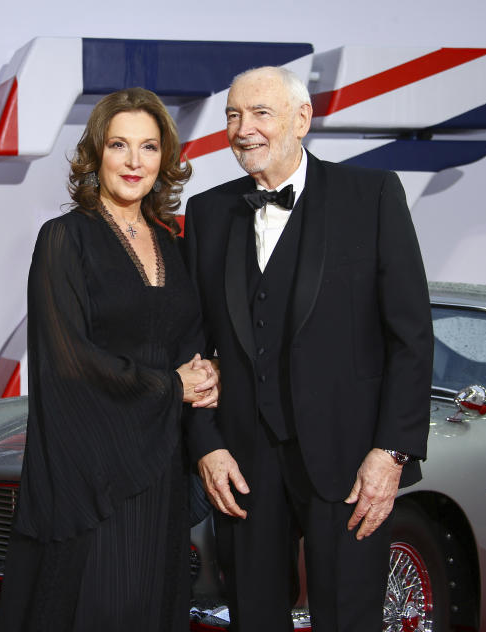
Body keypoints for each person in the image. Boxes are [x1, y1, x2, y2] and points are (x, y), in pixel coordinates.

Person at [182, 66, 433, 631]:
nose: (243, 129)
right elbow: (191, 349)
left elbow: (411, 337)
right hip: (243, 467)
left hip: (349, 464)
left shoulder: (371, 196)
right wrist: (206, 446)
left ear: (302, 119)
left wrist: (390, 453)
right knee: (253, 619)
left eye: (260, 114)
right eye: (232, 115)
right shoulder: (207, 212)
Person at [0, 87, 218, 632]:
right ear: (96, 154)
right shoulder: (64, 240)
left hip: (158, 465)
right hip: (90, 472)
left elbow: (190, 340)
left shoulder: (174, 244)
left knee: (150, 605)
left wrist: (206, 377)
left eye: (148, 147)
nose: (134, 161)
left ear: (164, 158)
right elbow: (67, 361)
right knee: (97, 606)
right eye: (120, 145)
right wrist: (173, 386)